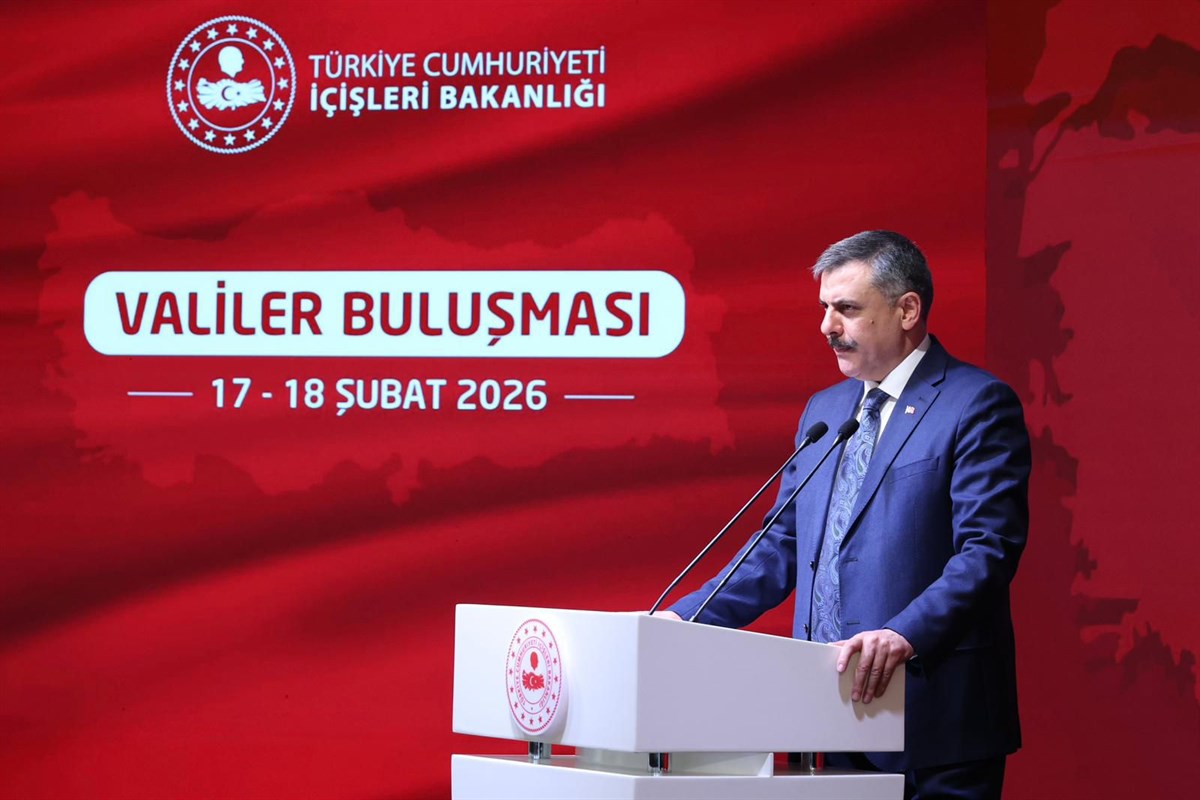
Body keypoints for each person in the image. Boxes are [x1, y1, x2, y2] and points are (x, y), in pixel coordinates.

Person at [658, 231, 1030, 800]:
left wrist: (904, 634)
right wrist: (685, 620)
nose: (827, 326)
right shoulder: (827, 410)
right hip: (827, 717)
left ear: (908, 310)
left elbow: (987, 551)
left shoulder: (975, 403)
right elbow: (780, 543)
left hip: (932, 720)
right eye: (824, 308)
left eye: (847, 309)